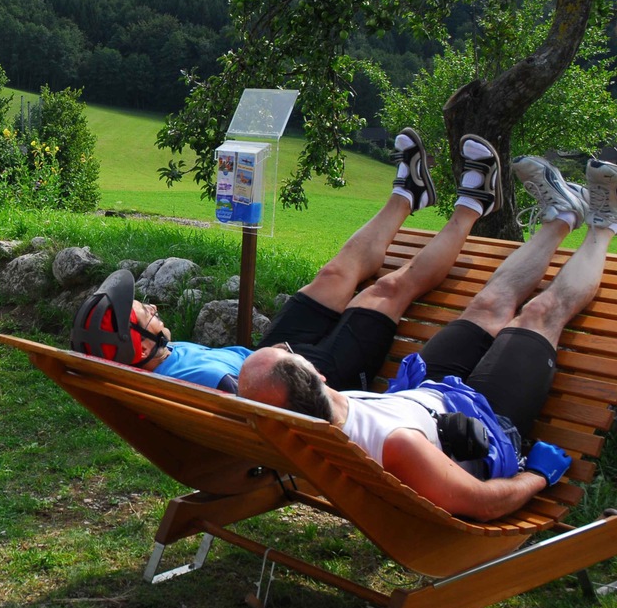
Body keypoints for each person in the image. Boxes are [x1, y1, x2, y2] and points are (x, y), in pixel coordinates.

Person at [239, 156, 617, 521]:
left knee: (487, 303)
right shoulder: (399, 445)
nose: (287, 345)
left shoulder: (319, 416)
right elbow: (483, 504)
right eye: (289, 352)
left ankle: (563, 216)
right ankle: (604, 225)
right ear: (318, 376)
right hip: (485, 423)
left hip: (425, 395)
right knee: (539, 314)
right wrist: (537, 476)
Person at [73, 128, 502, 395]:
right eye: (142, 313)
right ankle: (474, 202)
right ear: (141, 346)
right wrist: (285, 366)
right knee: (384, 291)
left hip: (269, 360)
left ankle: (408, 195)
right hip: (311, 381)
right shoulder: (199, 383)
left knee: (334, 274)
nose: (152, 308)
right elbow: (254, 408)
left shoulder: (156, 365)